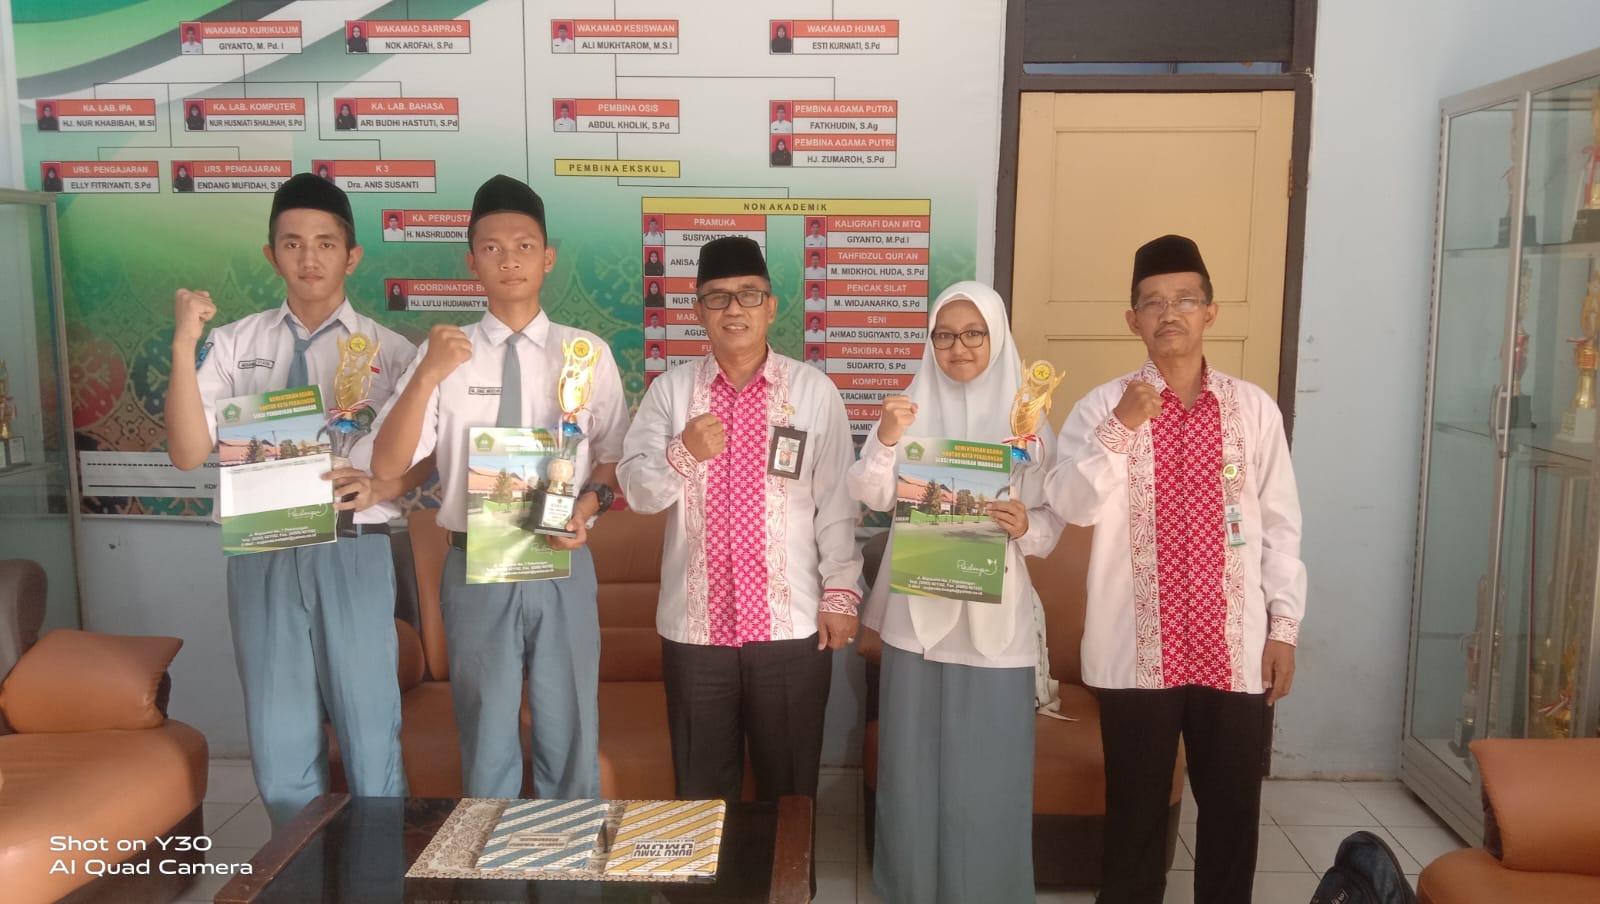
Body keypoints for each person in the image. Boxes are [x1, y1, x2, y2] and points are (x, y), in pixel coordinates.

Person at [1046, 234, 1306, 904]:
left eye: (1185, 299)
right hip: (1138, 653)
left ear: (1209, 312)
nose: (1170, 313)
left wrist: (1284, 628)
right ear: (1132, 319)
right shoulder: (1101, 406)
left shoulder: (1253, 410)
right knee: (1134, 820)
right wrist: (1122, 427)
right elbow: (1070, 504)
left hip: (1233, 647)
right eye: (1153, 302)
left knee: (1232, 818)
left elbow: (1281, 525)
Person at [163, 173, 426, 830]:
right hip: (263, 551)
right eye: (292, 243)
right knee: (279, 731)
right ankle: (299, 866)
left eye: (325, 244)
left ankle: (377, 868)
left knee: (370, 725)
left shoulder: (393, 353)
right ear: (271, 254)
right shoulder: (234, 344)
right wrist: (183, 342)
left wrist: (384, 486)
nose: (309, 258)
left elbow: (428, 457)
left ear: (352, 256)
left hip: (354, 547)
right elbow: (188, 452)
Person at [371, 174, 628, 800]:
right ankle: (493, 855)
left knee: (570, 728)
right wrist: (426, 375)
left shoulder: (586, 353)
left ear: (548, 257)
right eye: (491, 248)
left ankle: (570, 854)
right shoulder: (444, 354)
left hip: (560, 561)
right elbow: (389, 463)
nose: (508, 259)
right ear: (472, 262)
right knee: (486, 733)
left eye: (523, 246)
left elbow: (612, 461)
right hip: (475, 564)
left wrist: (588, 508)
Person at [618, 235, 862, 810]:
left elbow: (837, 502)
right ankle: (709, 874)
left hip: (790, 624)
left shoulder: (813, 393)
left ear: (771, 306)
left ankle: (784, 873)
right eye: (718, 297)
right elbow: (637, 492)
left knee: (790, 790)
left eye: (749, 295)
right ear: (698, 309)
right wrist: (683, 453)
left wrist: (841, 593)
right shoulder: (671, 393)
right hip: (696, 630)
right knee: (702, 793)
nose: (734, 309)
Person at [850, 281, 1063, 904]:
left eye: (974, 334)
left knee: (991, 773)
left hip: (996, 620)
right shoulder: (910, 410)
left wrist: (1026, 526)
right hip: (917, 614)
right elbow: (870, 494)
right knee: (911, 772)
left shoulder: (1030, 422)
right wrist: (887, 438)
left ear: (997, 339)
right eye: (944, 335)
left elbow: (1052, 520)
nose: (958, 347)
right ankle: (911, 891)